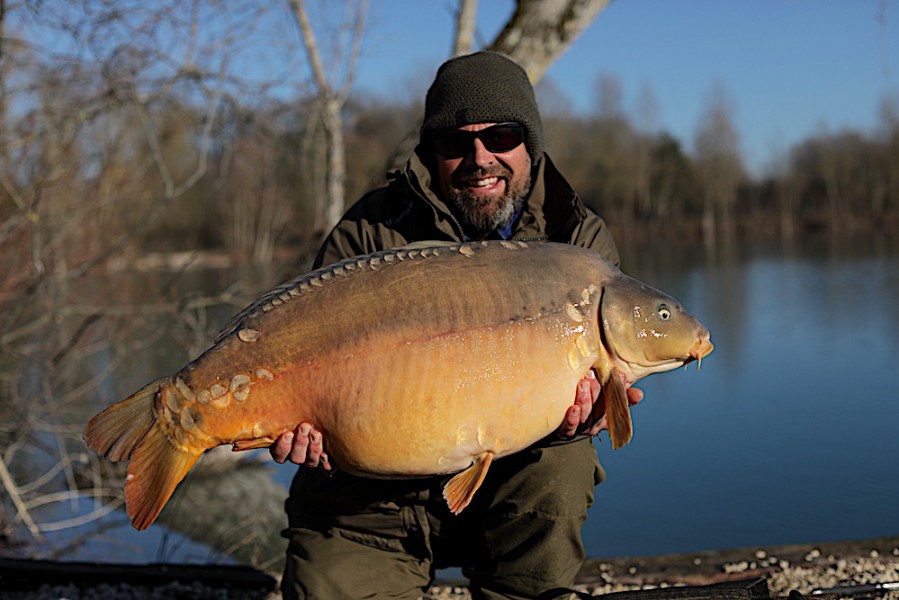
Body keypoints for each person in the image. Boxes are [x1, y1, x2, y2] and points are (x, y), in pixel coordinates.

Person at [271, 51, 642, 600]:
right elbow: (304, 356)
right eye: (455, 142)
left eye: (501, 136)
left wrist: (585, 419)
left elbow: (598, 407)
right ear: (430, 152)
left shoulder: (576, 242)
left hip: (506, 500)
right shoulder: (370, 231)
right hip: (364, 506)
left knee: (562, 466)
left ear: (530, 144)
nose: (479, 157)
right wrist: (303, 425)